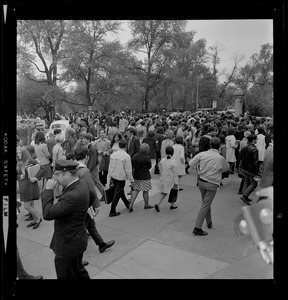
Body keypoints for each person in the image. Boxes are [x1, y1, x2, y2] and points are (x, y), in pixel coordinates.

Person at [41, 160, 92, 279]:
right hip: (77, 238)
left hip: (68, 244)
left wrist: (48, 190)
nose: (54, 177)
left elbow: (47, 213)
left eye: (57, 174)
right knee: (78, 271)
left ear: (67, 174)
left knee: (67, 274)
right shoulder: (82, 183)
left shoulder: (72, 196)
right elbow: (92, 195)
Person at [74, 147, 115, 256]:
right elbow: (91, 189)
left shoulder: (73, 168)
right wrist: (96, 205)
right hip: (84, 204)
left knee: (91, 225)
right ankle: (77, 256)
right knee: (81, 230)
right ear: (86, 157)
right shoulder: (85, 171)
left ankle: (101, 244)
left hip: (77, 202)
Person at [189, 137, 229, 236]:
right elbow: (225, 169)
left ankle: (209, 222)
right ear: (219, 146)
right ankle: (197, 227)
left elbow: (191, 163)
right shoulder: (220, 158)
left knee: (206, 203)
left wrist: (200, 168)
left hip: (201, 182)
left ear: (210, 145)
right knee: (205, 204)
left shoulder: (202, 154)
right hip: (212, 183)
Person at [17, 146, 42, 229]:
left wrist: (36, 177)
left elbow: (42, 169)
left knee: (27, 206)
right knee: (30, 204)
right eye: (17, 153)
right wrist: (20, 176)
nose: (18, 154)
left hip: (30, 185)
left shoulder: (30, 160)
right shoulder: (18, 161)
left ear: (24, 153)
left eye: (20, 153)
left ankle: (37, 219)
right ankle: (34, 218)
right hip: (23, 185)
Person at [106, 139, 133, 217]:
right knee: (117, 193)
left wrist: (109, 178)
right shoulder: (126, 156)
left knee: (120, 192)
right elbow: (128, 170)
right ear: (126, 146)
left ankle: (127, 204)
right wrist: (131, 180)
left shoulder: (113, 155)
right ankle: (112, 210)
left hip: (113, 175)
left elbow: (110, 167)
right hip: (121, 177)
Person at [128, 143, 154, 212]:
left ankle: (131, 204)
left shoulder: (134, 157)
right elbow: (149, 166)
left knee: (135, 190)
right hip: (145, 176)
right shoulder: (147, 158)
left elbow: (132, 166)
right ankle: (146, 204)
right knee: (145, 190)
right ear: (147, 150)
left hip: (136, 175)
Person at [154, 146, 178, 212]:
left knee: (164, 192)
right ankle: (171, 204)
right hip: (170, 179)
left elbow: (160, 168)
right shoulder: (174, 162)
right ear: (173, 153)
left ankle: (159, 204)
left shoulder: (162, 160)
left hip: (163, 178)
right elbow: (175, 173)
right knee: (173, 192)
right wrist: (176, 182)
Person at [239, 134, 259, 205]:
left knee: (246, 182)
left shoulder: (244, 148)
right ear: (253, 140)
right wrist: (257, 171)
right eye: (256, 139)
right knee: (254, 183)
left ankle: (245, 195)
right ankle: (245, 195)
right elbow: (255, 162)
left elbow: (241, 158)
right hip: (251, 169)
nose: (257, 140)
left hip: (245, 168)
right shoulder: (254, 149)